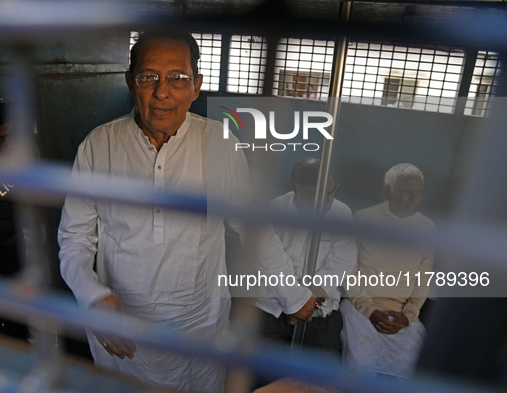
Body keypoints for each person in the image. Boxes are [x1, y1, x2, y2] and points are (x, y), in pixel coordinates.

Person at [58, 28, 317, 393]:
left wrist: (293, 295)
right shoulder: (99, 146)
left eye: (178, 79)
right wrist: (92, 296)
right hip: (124, 329)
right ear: (131, 82)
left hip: (200, 327)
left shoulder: (221, 145)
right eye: (149, 77)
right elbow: (74, 238)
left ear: (196, 86)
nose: (162, 92)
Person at [340, 163, 436, 378]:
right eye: (406, 192)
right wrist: (369, 310)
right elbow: (349, 272)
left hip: (402, 316)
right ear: (387, 191)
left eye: (419, 193)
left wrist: (408, 317)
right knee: (360, 368)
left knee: (413, 370)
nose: (414, 199)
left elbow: (423, 280)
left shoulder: (427, 228)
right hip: (361, 309)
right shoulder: (364, 219)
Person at [258, 158, 356, 355]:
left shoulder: (341, 213)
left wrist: (309, 297)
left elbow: (343, 260)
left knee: (319, 378)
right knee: (258, 371)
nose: (330, 200)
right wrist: (293, 300)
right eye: (323, 195)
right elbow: (267, 260)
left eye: (333, 190)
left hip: (321, 303)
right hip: (274, 303)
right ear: (300, 194)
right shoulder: (275, 209)